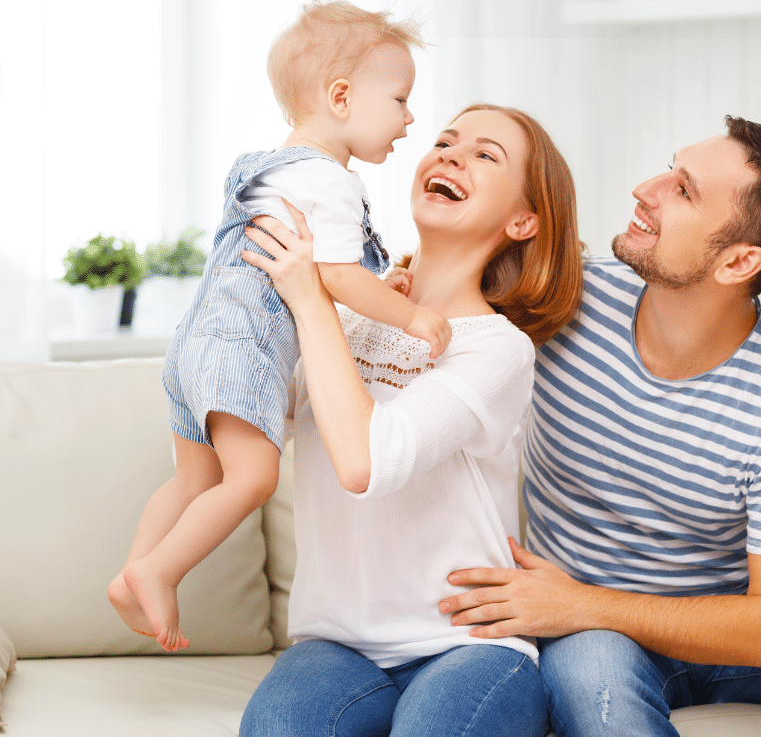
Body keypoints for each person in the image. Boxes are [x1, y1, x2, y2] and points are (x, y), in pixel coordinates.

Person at [440, 116, 761, 736]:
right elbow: (437, 280)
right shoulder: (563, 299)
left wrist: (576, 601)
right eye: (669, 168)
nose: (644, 189)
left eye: (682, 190)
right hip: (593, 633)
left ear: (738, 261)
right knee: (596, 686)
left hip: (715, 619)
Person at [108, 0, 451, 652]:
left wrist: (378, 287)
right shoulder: (333, 182)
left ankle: (132, 570)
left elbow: (310, 274)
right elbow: (338, 280)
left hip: (193, 345)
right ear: (342, 97)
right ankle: (157, 569)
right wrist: (412, 314)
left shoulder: (265, 165)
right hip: (241, 349)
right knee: (254, 478)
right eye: (401, 100)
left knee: (193, 480)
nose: (411, 118)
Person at [237, 103, 585, 737]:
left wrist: (313, 297)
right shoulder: (344, 315)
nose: (451, 154)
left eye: (486, 155)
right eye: (446, 141)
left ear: (523, 219)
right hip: (337, 644)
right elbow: (250, 416)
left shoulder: (497, 347)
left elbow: (368, 462)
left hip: (469, 644)